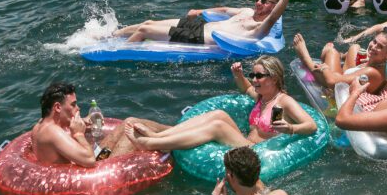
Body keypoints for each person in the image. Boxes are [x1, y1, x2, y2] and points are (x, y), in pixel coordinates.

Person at [125, 55, 317, 151]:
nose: (255, 79)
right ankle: (158, 135)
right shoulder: (263, 97)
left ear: (274, 78)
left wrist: (290, 128)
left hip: (257, 153)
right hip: (246, 142)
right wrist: (239, 75)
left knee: (217, 126)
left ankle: (152, 144)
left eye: (259, 76)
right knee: (219, 115)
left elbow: (311, 126)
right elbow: (246, 89)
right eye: (253, 75)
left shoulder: (284, 101)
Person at [114, 0, 297, 44]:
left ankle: (118, 52)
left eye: (264, 2)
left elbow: (274, 17)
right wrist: (199, 11)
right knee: (148, 22)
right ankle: (112, 36)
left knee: (145, 30)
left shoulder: (261, 27)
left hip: (200, 39)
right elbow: (224, 10)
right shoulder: (246, 11)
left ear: (273, 7)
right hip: (200, 27)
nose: (258, 3)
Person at [31, 82, 166, 168]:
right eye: (73, 105)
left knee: (128, 121)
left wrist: (83, 121)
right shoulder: (53, 133)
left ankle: (172, 132)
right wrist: (78, 133)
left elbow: (60, 135)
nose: (77, 108)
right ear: (57, 107)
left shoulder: (40, 126)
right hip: (89, 175)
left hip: (82, 165)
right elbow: (90, 161)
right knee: (132, 129)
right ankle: (173, 139)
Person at [293, 29, 387, 111]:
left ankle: (305, 56)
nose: (373, 47)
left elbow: (332, 82)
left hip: (340, 87)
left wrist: (325, 68)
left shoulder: (371, 73)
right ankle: (341, 56)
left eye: (380, 47)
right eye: (374, 41)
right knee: (355, 47)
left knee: (332, 52)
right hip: (353, 74)